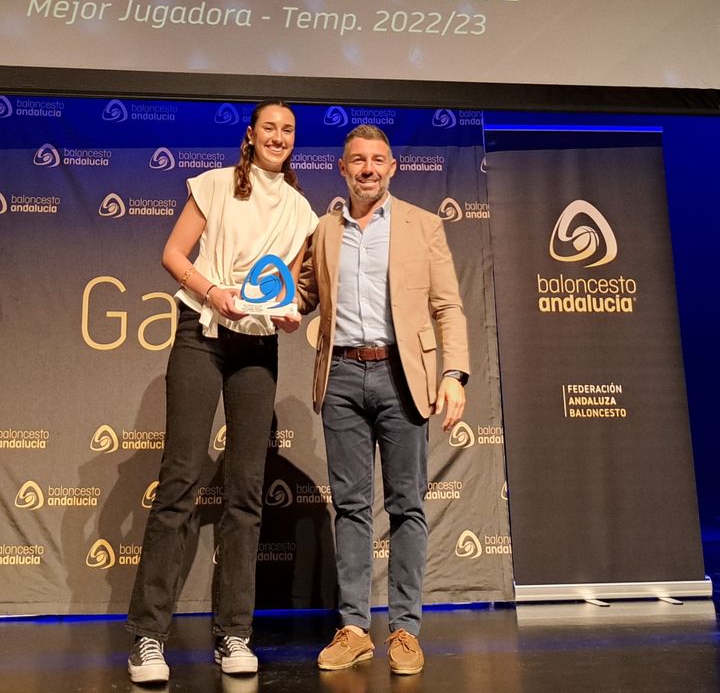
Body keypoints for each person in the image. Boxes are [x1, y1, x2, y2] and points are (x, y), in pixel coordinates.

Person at [126, 100, 318, 684]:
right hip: (201, 334)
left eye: (287, 130)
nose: (278, 137)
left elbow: (297, 288)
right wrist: (214, 294)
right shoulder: (212, 185)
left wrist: (291, 313)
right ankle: (147, 640)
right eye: (269, 128)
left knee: (246, 493)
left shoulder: (302, 210)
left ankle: (234, 633)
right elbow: (172, 254)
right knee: (180, 478)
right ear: (250, 136)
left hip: (258, 345)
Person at [297, 125, 469, 675]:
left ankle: (404, 631)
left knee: (407, 507)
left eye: (378, 160)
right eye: (357, 161)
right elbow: (300, 296)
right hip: (342, 375)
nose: (368, 169)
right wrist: (264, 301)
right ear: (342, 170)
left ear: (392, 168)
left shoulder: (424, 225)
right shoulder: (323, 230)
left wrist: (454, 375)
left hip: (403, 375)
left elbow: (449, 308)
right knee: (350, 506)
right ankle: (353, 629)